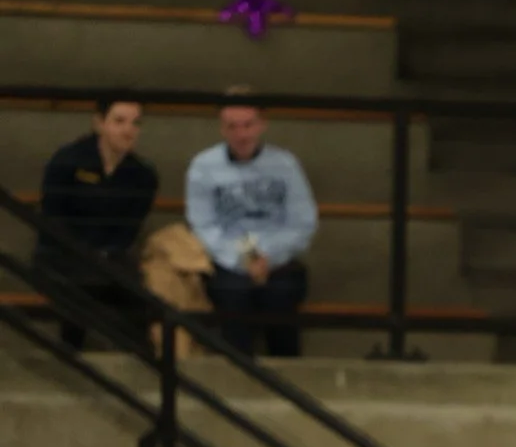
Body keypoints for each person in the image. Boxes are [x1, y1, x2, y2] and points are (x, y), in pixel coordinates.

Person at [185, 92, 317, 357]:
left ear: (261, 124)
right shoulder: (203, 166)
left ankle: (286, 373)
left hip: (278, 260)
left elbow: (303, 221)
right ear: (222, 128)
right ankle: (236, 373)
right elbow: (203, 225)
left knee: (281, 297)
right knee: (233, 296)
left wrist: (268, 255)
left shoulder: (285, 165)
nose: (241, 134)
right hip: (227, 261)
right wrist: (244, 259)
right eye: (232, 126)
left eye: (247, 125)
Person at [34, 91, 158, 350]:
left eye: (135, 123)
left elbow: (127, 232)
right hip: (61, 254)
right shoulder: (68, 161)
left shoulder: (143, 176)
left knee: (144, 301)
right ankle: (71, 358)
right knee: (81, 288)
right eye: (119, 121)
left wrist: (104, 256)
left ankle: (139, 365)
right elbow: (52, 219)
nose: (128, 130)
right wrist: (85, 253)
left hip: (109, 258)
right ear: (99, 123)